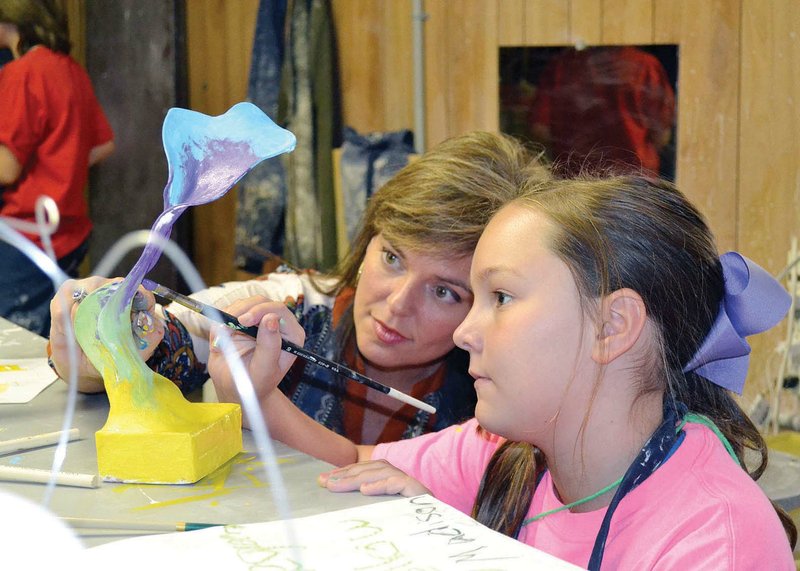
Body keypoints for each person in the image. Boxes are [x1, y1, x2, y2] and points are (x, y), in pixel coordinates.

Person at [225, 174, 797, 568]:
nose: (464, 331)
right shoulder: (504, 455)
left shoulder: (715, 539)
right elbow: (351, 463)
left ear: (612, 326)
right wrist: (255, 395)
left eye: (499, 296)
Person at [49, 131, 549, 444]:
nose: (397, 305)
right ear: (367, 237)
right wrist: (93, 344)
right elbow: (164, 339)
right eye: (392, 258)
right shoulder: (295, 307)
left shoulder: (508, 385)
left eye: (445, 292)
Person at [0, 0, 115, 336]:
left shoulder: (22, 73)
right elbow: (103, 146)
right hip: (68, 233)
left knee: (18, 351)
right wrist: (59, 165)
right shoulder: (69, 68)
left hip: (26, 238)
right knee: (57, 344)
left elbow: (7, 169)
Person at [528, 46, 675, 178]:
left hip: (576, 183)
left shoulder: (562, 65)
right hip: (635, 185)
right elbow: (661, 136)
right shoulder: (645, 65)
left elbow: (541, 129)